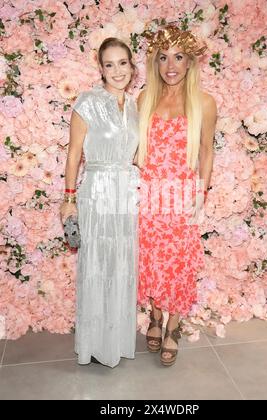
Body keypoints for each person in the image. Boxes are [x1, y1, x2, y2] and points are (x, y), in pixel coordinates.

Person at [137, 25, 217, 366]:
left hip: (181, 197)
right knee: (152, 260)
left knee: (180, 264)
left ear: (190, 63)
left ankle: (173, 325)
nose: (171, 65)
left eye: (179, 57)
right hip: (150, 196)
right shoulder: (145, 98)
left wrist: (200, 194)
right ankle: (155, 318)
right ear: (155, 62)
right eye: (163, 57)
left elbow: (207, 152)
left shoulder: (204, 102)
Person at [60, 38, 139, 368]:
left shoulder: (135, 106)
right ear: (101, 69)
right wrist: (68, 199)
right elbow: (74, 153)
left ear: (132, 67)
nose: (117, 71)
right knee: (97, 265)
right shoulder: (88, 102)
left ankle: (116, 341)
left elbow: (136, 153)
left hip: (127, 194)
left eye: (123, 63)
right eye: (110, 64)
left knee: (122, 264)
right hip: (97, 190)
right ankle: (94, 345)